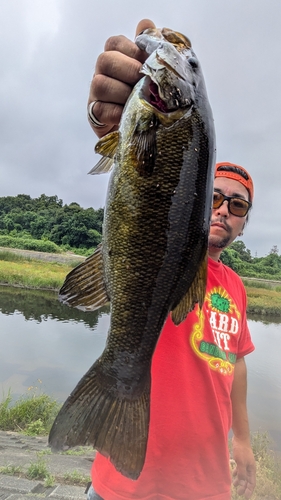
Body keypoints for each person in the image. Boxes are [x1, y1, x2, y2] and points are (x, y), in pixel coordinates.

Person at [86, 19, 256, 500]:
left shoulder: (238, 290)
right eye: (214, 195)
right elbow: (149, 205)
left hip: (206, 487)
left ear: (244, 220)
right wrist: (117, 122)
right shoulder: (177, 263)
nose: (222, 209)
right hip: (123, 487)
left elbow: (237, 364)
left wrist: (242, 439)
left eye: (237, 204)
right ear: (199, 199)